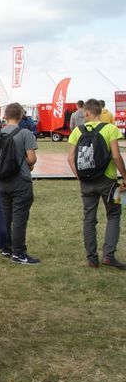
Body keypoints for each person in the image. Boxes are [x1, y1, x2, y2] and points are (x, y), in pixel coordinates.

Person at [67, 99, 126, 269]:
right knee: (114, 215)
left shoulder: (77, 131)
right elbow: (116, 156)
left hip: (86, 182)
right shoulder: (111, 129)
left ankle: (92, 258)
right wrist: (124, 176)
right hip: (109, 181)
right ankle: (109, 255)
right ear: (101, 112)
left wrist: (80, 178)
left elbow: (71, 159)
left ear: (86, 113)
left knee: (89, 219)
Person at [0, 103, 39, 264]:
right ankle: (19, 253)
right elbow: (31, 159)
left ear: (5, 116)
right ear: (20, 116)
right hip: (21, 181)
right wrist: (23, 162)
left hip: (1, 181)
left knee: (5, 216)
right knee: (19, 217)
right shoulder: (25, 133)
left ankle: (6, 248)